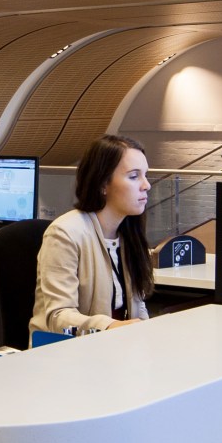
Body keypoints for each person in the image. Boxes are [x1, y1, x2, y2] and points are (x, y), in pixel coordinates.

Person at [32, 133, 153, 338]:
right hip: (67, 355)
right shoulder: (64, 234)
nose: (146, 185)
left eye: (146, 175)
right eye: (134, 176)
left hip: (114, 348)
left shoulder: (128, 233)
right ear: (103, 184)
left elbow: (137, 308)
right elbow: (58, 317)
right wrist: (110, 326)